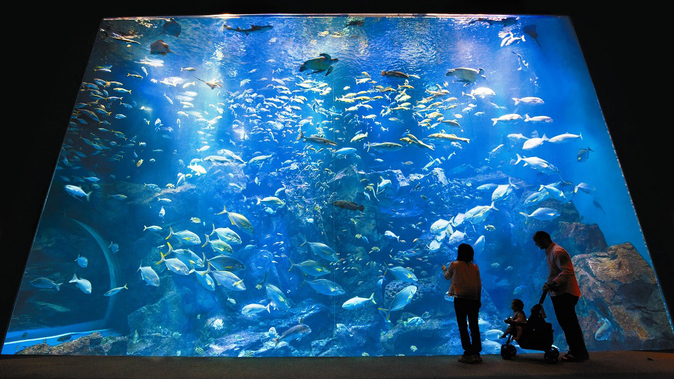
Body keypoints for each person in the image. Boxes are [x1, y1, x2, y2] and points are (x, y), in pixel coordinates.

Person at [533, 230, 589, 362]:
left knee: (570, 324)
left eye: (537, 242)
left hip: (565, 293)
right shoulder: (551, 252)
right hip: (559, 292)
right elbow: (556, 272)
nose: (536, 245)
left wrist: (553, 283)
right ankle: (577, 351)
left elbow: (567, 271)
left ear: (544, 239)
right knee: (567, 324)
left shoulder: (558, 252)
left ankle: (578, 353)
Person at [442, 243, 482, 363]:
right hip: (473, 298)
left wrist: (444, 269)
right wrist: (478, 299)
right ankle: (476, 352)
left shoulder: (454, 264)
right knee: (474, 325)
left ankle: (468, 352)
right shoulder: (475, 267)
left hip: (460, 298)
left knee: (462, 325)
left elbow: (447, 277)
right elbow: (479, 284)